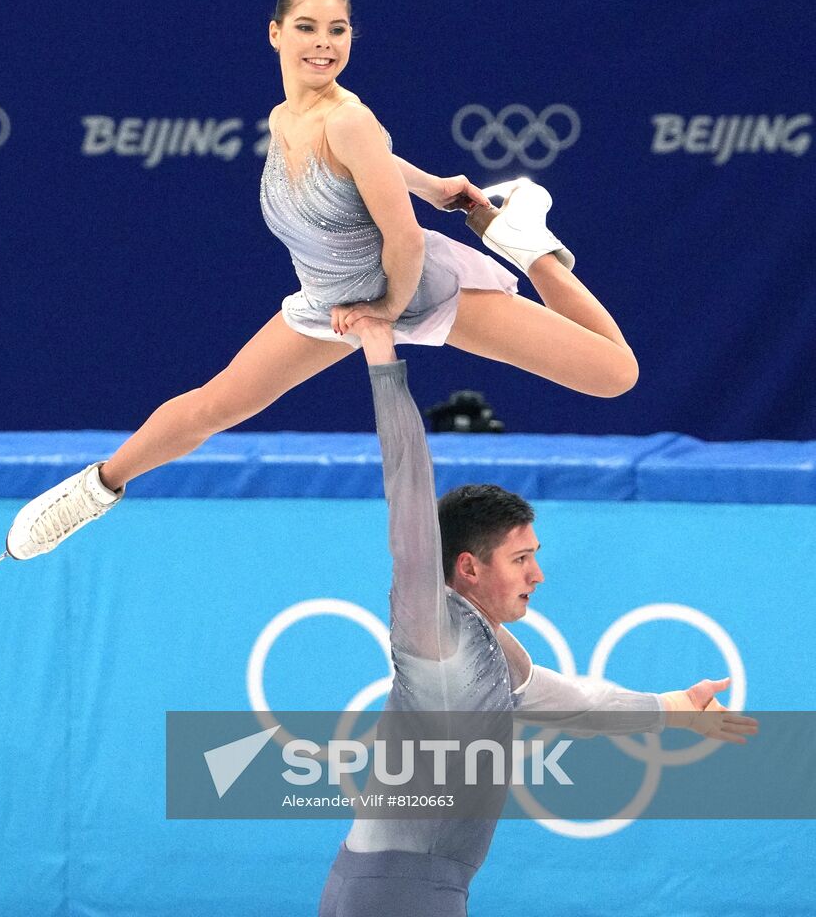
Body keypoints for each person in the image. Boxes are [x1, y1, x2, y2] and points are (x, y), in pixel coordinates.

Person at [0, 0, 640, 563]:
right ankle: (93, 489)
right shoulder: (285, 116)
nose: (323, 43)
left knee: (614, 374)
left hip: (416, 292)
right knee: (215, 404)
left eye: (337, 30)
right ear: (275, 34)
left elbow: (406, 242)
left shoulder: (352, 120)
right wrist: (433, 185)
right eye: (307, 28)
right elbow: (369, 169)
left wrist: (383, 314)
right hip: (329, 297)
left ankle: (529, 247)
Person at [317, 314, 758, 917]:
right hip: (396, 894)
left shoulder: (497, 651)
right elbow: (408, 490)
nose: (537, 576)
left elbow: (580, 705)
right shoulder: (431, 627)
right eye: (521, 559)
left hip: (415, 889)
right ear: (468, 567)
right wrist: (382, 362)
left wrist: (678, 707)